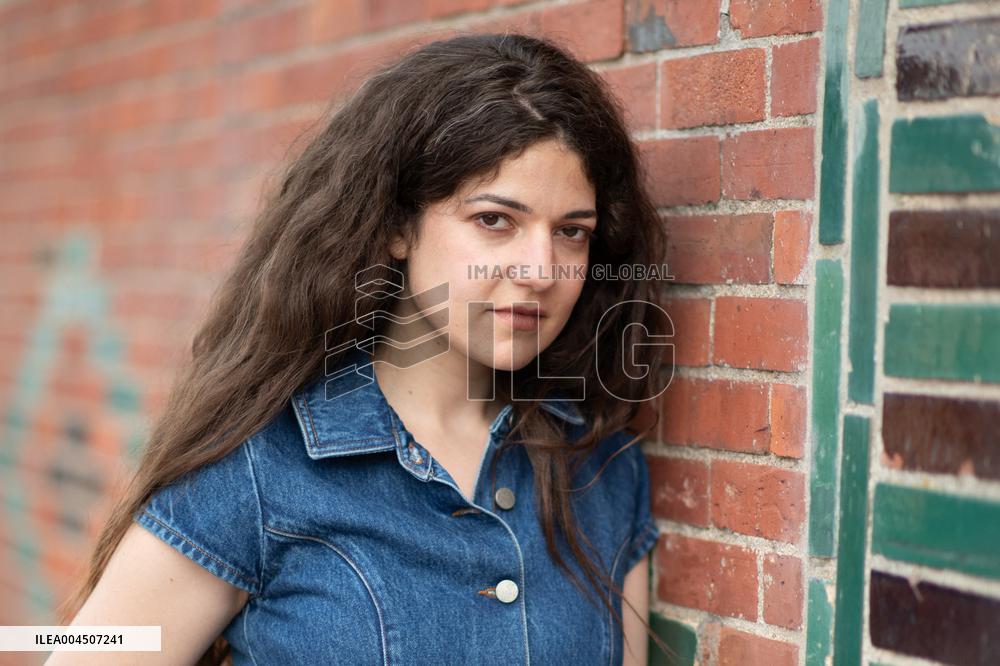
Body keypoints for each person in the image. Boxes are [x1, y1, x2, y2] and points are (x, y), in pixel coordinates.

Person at [48, 31, 674, 665]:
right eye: (495, 220)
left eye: (571, 232)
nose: (543, 269)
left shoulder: (600, 466)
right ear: (399, 227)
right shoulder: (261, 469)